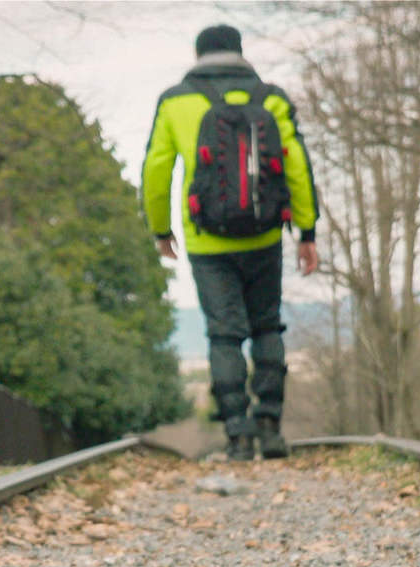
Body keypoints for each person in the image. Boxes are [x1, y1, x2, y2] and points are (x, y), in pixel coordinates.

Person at [141, 23, 320, 461]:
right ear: (240, 53)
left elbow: (156, 171)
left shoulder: (175, 101)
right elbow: (296, 164)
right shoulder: (271, 98)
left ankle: (237, 436)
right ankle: (270, 427)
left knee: (224, 336)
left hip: (207, 242)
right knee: (266, 325)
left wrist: (161, 230)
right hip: (263, 236)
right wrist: (306, 232)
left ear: (198, 55)